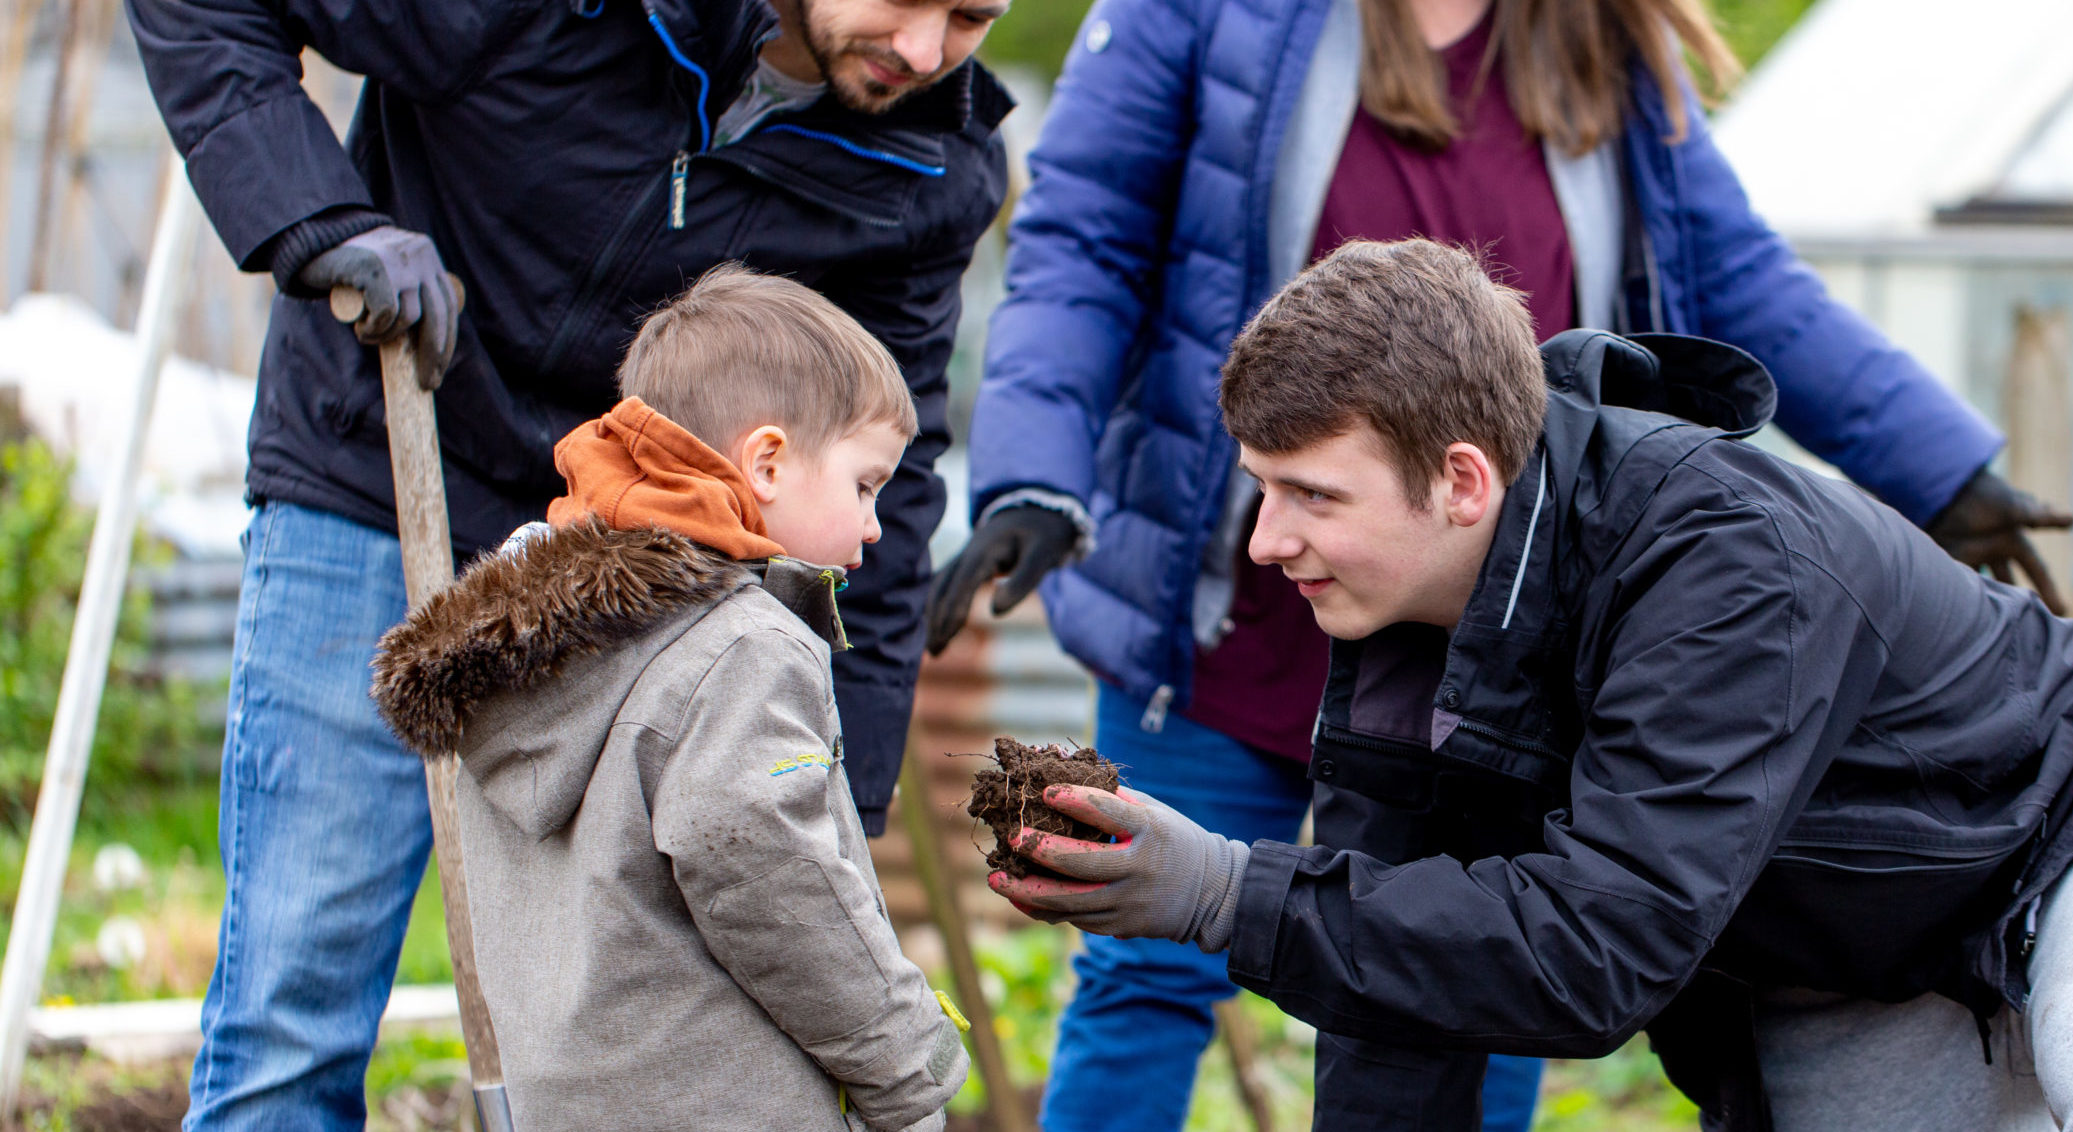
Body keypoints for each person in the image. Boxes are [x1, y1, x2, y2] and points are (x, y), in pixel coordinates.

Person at [926, 0, 2070, 1128]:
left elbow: (1592, 946)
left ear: (1467, 483)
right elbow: (1420, 1006)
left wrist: (1941, 466)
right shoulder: (1415, 619)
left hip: (2031, 851)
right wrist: (1033, 471)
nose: (1266, 539)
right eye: (1264, 493)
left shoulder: (1721, 574)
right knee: (1189, 983)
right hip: (1842, 936)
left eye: (1305, 498)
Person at [124, 0, 1010, 1125]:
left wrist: (842, 796)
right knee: (293, 1005)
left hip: (632, 570)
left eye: (974, 16)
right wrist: (317, 220)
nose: (928, 51)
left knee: (596, 1032)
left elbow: (889, 460)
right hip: (390, 470)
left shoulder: (927, 157)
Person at [367, 267, 968, 1132]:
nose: (875, 525)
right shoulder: (739, 648)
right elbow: (772, 880)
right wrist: (909, 1062)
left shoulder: (545, 654)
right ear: (765, 461)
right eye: (865, 485)